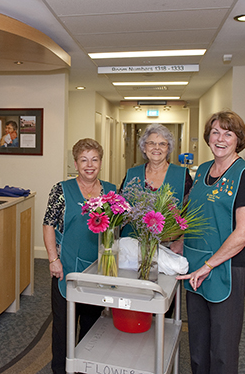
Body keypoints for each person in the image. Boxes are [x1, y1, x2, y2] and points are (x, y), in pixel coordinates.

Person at [177, 110, 245, 374]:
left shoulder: (244, 175)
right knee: (198, 342)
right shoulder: (202, 170)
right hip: (197, 263)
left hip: (226, 267)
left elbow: (244, 232)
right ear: (208, 137)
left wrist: (209, 265)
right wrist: (177, 245)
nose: (221, 138)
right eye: (215, 132)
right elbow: (192, 216)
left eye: (228, 133)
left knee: (223, 348)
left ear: (239, 140)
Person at [43, 138, 116, 374]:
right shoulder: (61, 190)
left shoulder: (111, 191)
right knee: (63, 326)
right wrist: (53, 259)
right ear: (76, 163)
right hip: (67, 267)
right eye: (84, 160)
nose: (89, 165)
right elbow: (48, 225)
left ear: (101, 163)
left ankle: (86, 369)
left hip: (98, 269)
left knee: (92, 325)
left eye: (94, 159)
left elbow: (117, 229)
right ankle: (61, 370)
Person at [119, 123, 193, 223]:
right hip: (131, 237)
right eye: (151, 143)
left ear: (168, 149)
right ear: (144, 148)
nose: (157, 147)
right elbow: (119, 209)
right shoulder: (131, 174)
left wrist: (179, 237)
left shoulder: (183, 176)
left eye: (162, 144)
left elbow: (190, 212)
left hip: (170, 238)